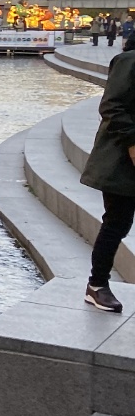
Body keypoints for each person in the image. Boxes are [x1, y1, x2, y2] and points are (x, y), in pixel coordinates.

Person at [77, 32, 135, 312]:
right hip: (122, 160)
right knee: (117, 222)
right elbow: (112, 105)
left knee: (117, 222)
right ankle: (97, 285)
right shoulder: (129, 61)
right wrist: (133, 143)